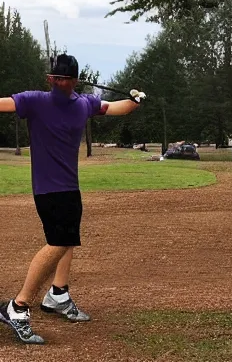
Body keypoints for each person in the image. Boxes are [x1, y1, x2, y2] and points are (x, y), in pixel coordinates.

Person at [0, 54, 146, 345]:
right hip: (48, 189)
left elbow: (117, 107)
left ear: (70, 80)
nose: (61, 83)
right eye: (58, 78)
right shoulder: (36, 101)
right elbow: (3, 103)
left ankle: (58, 293)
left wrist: (136, 101)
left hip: (68, 187)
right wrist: (135, 101)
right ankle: (18, 306)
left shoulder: (82, 104)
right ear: (51, 79)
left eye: (64, 79)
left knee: (68, 239)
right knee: (58, 243)